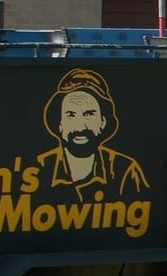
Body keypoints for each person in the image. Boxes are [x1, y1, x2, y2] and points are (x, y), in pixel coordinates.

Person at [38, 68, 150, 202]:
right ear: (59, 123)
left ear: (103, 121)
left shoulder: (125, 170)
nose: (80, 127)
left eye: (89, 114)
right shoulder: (39, 168)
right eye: (71, 115)